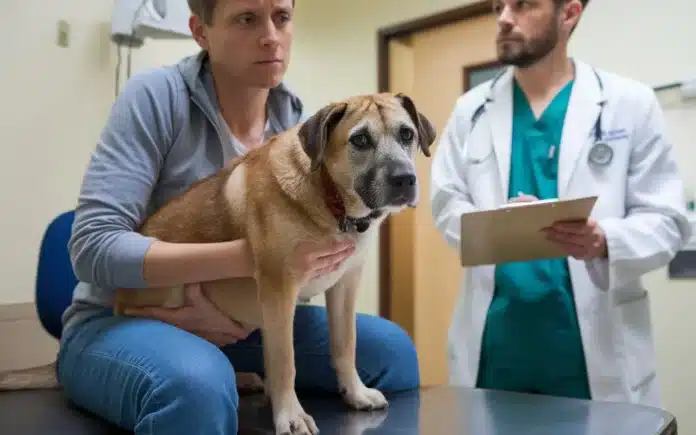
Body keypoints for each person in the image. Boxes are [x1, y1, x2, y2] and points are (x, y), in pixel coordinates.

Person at [56, 0, 419, 433]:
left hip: (243, 325)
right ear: (200, 31)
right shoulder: (154, 97)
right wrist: (255, 259)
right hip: (122, 318)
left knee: (392, 353)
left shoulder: (298, 124)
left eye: (282, 17)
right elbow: (91, 247)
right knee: (196, 389)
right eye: (247, 19)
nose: (271, 36)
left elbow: (308, 269)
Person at [430, 0, 691, 407]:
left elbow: (669, 220)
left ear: (568, 14)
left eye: (522, 5)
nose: (503, 18)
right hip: (497, 353)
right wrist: (493, 227)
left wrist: (605, 239)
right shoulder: (471, 111)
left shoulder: (630, 104)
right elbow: (446, 202)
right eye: (498, 6)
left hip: (593, 357)